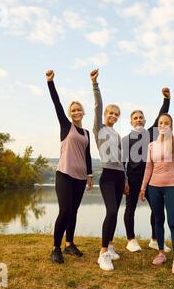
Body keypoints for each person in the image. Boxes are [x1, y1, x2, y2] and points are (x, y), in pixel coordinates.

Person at [46, 70, 93, 264]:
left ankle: (69, 244)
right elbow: (56, 103)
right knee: (64, 210)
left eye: (78, 109)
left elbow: (88, 155)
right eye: (72, 110)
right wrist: (50, 82)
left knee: (73, 211)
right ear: (69, 114)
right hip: (64, 174)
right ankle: (56, 248)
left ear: (83, 112)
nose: (75, 112)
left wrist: (90, 175)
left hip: (81, 177)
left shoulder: (87, 133)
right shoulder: (66, 126)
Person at [122, 88, 172, 253]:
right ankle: (131, 240)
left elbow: (161, 115)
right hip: (132, 179)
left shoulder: (151, 133)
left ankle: (155, 239)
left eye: (140, 117)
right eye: (135, 118)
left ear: (144, 120)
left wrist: (166, 99)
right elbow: (122, 163)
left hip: (151, 179)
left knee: (157, 209)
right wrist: (125, 182)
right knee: (130, 210)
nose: (138, 120)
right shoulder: (125, 140)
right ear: (131, 122)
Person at [140, 89, 174, 275]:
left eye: (167, 123)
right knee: (158, 220)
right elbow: (148, 168)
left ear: (171, 126)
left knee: (172, 222)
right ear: (157, 126)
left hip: (171, 186)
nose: (164, 124)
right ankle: (160, 253)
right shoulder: (151, 145)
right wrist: (143, 188)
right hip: (154, 187)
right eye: (161, 122)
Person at [91, 69, 127, 271]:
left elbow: (122, 160)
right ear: (105, 115)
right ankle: (103, 252)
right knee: (111, 211)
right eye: (110, 113)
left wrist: (127, 181)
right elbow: (97, 106)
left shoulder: (116, 134)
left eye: (116, 114)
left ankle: (110, 245)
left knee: (115, 213)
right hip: (107, 176)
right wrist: (95, 85)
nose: (113, 115)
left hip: (120, 176)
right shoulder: (99, 129)